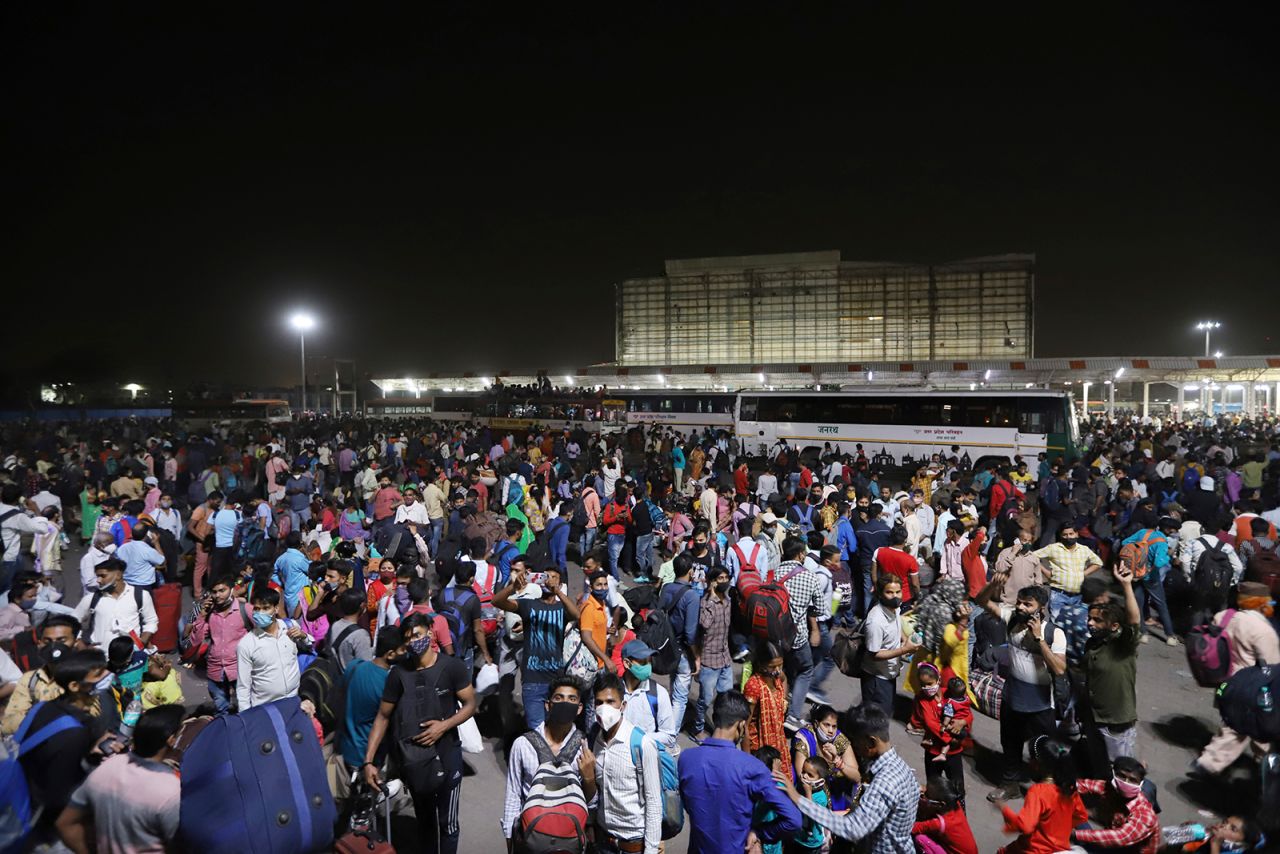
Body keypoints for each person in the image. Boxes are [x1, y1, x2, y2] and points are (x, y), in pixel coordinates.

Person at [363, 612, 476, 854]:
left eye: (418, 635)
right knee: (425, 822)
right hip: (414, 761)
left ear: (430, 631)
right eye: (408, 638)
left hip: (448, 755)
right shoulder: (398, 674)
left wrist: (443, 726)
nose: (414, 641)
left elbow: (470, 705)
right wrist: (369, 761)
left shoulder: (452, 667)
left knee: (448, 823)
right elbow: (382, 717)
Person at [772, 702, 919, 853]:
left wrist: (799, 799)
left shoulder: (885, 782)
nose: (856, 747)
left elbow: (853, 829)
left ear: (871, 742)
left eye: (857, 742)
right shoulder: (902, 768)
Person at [976, 579, 1067, 801]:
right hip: (1012, 697)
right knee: (1010, 744)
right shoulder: (1011, 620)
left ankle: (1047, 793)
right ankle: (1011, 785)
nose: (1021, 608)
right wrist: (992, 585)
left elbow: (1059, 668)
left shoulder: (1054, 633)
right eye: (1019, 603)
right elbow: (981, 601)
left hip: (1041, 703)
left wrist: (1039, 640)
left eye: (1028, 604)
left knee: (1044, 749)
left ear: (1041, 608)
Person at [679, 690, 802, 854]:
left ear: (715, 719)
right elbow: (793, 819)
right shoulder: (752, 768)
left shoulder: (686, 759)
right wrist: (759, 832)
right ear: (741, 725)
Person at [55, 703, 184, 854]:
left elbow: (65, 824)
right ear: (171, 740)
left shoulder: (108, 767)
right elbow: (182, 846)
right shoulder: (170, 790)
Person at [17, 650, 111, 844]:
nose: (106, 677)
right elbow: (59, 799)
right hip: (45, 823)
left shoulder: (42, 707)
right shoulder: (77, 732)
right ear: (75, 686)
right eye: (97, 676)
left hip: (24, 787)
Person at [1191, 580, 1280, 777]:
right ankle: (1208, 764)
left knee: (1234, 724)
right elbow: (1272, 667)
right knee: (1247, 726)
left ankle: (1259, 760)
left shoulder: (1223, 616)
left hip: (1222, 682)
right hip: (1248, 689)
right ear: (1260, 603)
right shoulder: (1263, 630)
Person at [500, 675, 595, 849]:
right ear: (547, 705)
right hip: (531, 836)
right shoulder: (523, 744)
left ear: (579, 708)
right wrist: (510, 839)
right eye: (558, 698)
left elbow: (589, 801)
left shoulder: (585, 747)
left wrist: (589, 779)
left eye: (571, 699)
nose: (565, 703)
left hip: (570, 838)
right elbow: (513, 794)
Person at [493, 562, 578, 730]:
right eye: (546, 577)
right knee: (536, 729)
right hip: (532, 680)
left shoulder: (562, 608)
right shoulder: (528, 604)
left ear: (560, 584)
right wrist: (513, 587)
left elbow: (576, 614)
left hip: (556, 680)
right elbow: (497, 601)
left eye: (554, 578)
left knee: (555, 728)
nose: (549, 581)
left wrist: (558, 592)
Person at [588, 672, 663, 854]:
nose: (604, 708)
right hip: (604, 840)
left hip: (633, 845)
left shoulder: (642, 744)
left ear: (623, 705)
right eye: (599, 702)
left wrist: (651, 849)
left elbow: (654, 801)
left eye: (610, 701)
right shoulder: (593, 741)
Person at [1082, 565, 1142, 763]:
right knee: (1097, 763)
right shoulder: (1093, 643)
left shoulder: (1123, 645)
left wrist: (1126, 585)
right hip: (1093, 716)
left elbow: (1133, 621)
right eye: (1090, 618)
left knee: (1121, 770)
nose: (1090, 623)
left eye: (1097, 620)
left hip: (1116, 720)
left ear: (1114, 626)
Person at [995, 736, 1087, 854]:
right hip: (1060, 849)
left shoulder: (1038, 791)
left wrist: (1003, 808)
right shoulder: (1069, 789)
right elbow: (1081, 816)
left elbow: (1025, 826)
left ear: (1036, 763)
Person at [1, 613, 78, 735]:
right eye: (47, 641)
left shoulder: (87, 676)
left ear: (76, 642)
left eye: (62, 640)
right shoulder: (30, 679)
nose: (54, 646)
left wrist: (32, 716)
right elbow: (9, 724)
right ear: (39, 644)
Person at [339, 626, 401, 775]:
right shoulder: (388, 684)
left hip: (346, 749)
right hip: (369, 757)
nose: (406, 653)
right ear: (391, 654)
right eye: (403, 650)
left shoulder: (354, 666)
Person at [187, 574, 252, 714]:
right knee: (221, 710)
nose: (218, 595)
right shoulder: (209, 613)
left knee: (246, 709)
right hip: (216, 669)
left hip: (240, 668)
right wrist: (203, 615)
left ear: (232, 589)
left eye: (222, 590)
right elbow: (195, 640)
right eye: (214, 592)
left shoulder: (245, 609)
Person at [235, 587, 308, 710]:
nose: (260, 613)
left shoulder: (290, 628)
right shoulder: (247, 644)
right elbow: (243, 686)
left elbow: (309, 645)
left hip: (294, 701)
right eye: (257, 609)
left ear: (276, 609)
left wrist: (304, 636)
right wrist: (246, 716)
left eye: (266, 608)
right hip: (266, 708)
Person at [1070, 756, 1159, 853]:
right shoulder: (1110, 788)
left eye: (1132, 780)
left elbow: (1120, 837)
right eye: (1122, 776)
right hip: (1112, 837)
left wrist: (1075, 834)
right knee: (1069, 807)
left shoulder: (1145, 815)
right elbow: (1084, 785)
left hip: (1129, 849)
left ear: (1140, 784)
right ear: (1113, 773)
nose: (1126, 783)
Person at [862, 575, 921, 714]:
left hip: (889, 672)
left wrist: (905, 639)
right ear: (880, 594)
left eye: (898, 592)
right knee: (876, 719)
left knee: (884, 714)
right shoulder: (875, 621)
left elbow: (897, 624)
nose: (895, 596)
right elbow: (874, 654)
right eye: (889, 592)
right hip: (877, 677)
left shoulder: (895, 607)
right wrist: (904, 649)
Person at [74, 558, 158, 650]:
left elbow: (151, 620)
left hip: (131, 656)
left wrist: (142, 641)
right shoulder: (91, 599)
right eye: (97, 576)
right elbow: (72, 621)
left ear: (118, 575)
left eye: (103, 576)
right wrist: (79, 642)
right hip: (101, 658)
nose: (98, 580)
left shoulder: (141, 595)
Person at [658, 551, 701, 732]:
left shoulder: (666, 588)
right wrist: (696, 657)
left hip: (667, 646)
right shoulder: (691, 596)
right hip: (682, 650)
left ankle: (664, 726)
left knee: (672, 686)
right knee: (680, 698)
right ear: (690, 571)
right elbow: (691, 633)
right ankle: (670, 735)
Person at [791, 703, 858, 811]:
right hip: (807, 784)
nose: (831, 731)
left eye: (834, 726)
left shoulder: (839, 739)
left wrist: (837, 761)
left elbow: (856, 777)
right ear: (817, 723)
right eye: (826, 725)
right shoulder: (805, 737)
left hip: (831, 785)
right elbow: (802, 776)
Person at [693, 564, 733, 738]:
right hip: (709, 660)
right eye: (720, 578)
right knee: (705, 700)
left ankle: (719, 728)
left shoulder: (728, 601)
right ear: (712, 582)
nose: (724, 581)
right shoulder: (706, 602)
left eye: (726, 578)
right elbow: (705, 624)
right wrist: (711, 596)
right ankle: (698, 729)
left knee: (725, 697)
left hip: (725, 658)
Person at [743, 639, 793, 779]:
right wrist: (747, 760)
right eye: (772, 666)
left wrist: (784, 700)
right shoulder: (753, 686)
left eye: (780, 665)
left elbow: (784, 679)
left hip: (778, 740)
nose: (777, 670)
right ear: (761, 665)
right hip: (759, 747)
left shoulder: (777, 676)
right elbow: (744, 725)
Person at [1034, 524, 1104, 620]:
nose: (1068, 537)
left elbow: (1098, 562)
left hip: (1078, 596)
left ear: (1076, 534)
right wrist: (1045, 572)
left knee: (1075, 623)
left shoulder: (1084, 550)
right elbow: (1033, 557)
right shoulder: (1053, 548)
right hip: (1058, 595)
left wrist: (1084, 573)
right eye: (1065, 535)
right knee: (1057, 623)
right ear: (1061, 536)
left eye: (1071, 534)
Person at [620, 639, 679, 751]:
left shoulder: (659, 693)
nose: (648, 667)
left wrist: (637, 738)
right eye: (643, 662)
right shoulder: (613, 692)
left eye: (649, 661)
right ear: (627, 663)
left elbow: (670, 736)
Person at [912, 778, 977, 854]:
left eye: (926, 795)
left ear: (940, 804)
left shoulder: (939, 823)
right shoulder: (955, 803)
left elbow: (913, 828)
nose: (923, 796)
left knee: (920, 838)